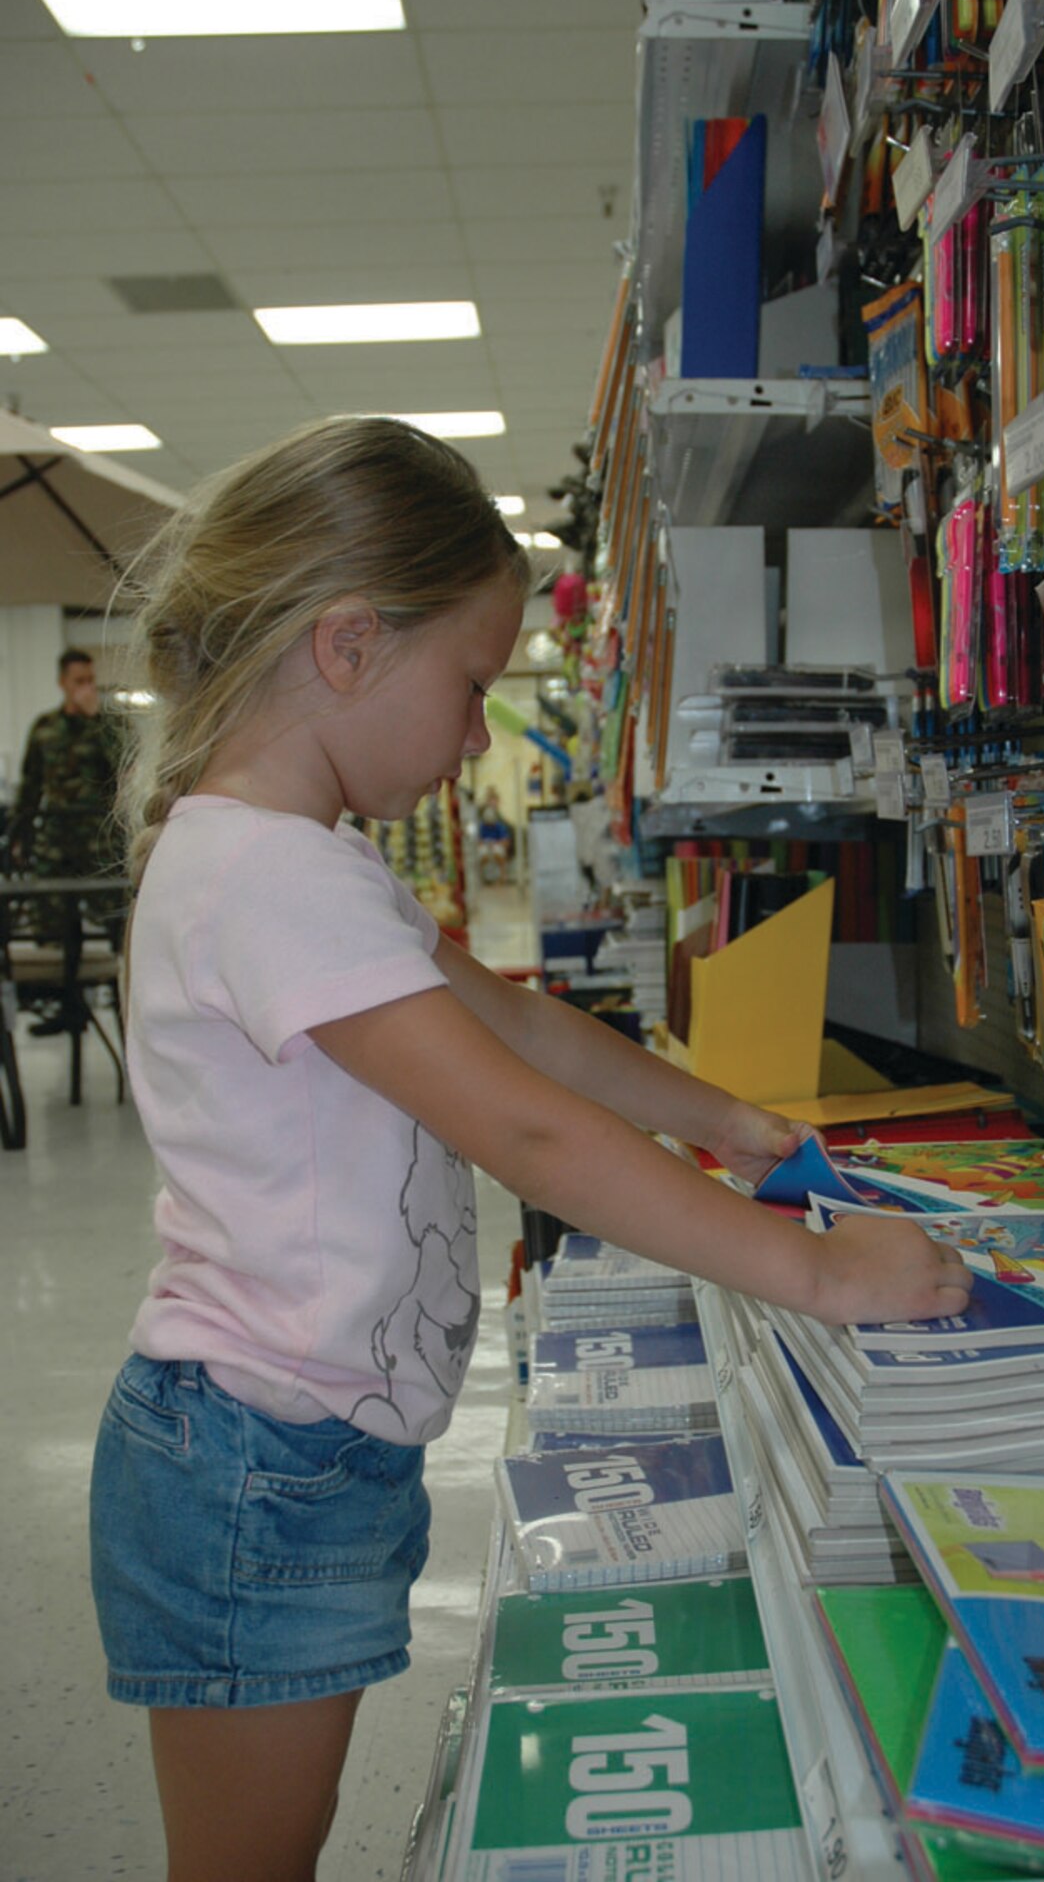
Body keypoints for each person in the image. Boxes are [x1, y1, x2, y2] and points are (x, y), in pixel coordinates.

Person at [88, 416, 971, 1882]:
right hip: (251, 1458)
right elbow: (519, 1125)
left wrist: (730, 1123)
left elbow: (520, 1029)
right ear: (349, 645)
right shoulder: (260, 873)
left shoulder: (311, 860)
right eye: (473, 687)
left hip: (303, 1440)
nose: (478, 737)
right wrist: (816, 1278)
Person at [8, 646, 125, 1026]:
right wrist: (20, 836)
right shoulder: (45, 728)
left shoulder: (109, 725)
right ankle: (70, 1009)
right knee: (61, 929)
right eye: (79, 681)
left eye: (90, 680)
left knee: (115, 925)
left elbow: (126, 770)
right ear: (62, 683)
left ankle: (125, 1008)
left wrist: (97, 720)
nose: (86, 688)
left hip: (100, 843)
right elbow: (30, 787)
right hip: (58, 842)